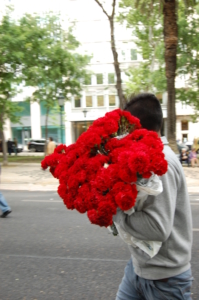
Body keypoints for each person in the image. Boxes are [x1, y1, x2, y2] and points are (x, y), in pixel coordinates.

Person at [113, 93, 193, 300]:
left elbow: (157, 228)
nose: (122, 134)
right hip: (138, 268)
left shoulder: (160, 162)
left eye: (124, 128)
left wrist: (114, 210)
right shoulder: (146, 157)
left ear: (135, 127)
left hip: (165, 280)